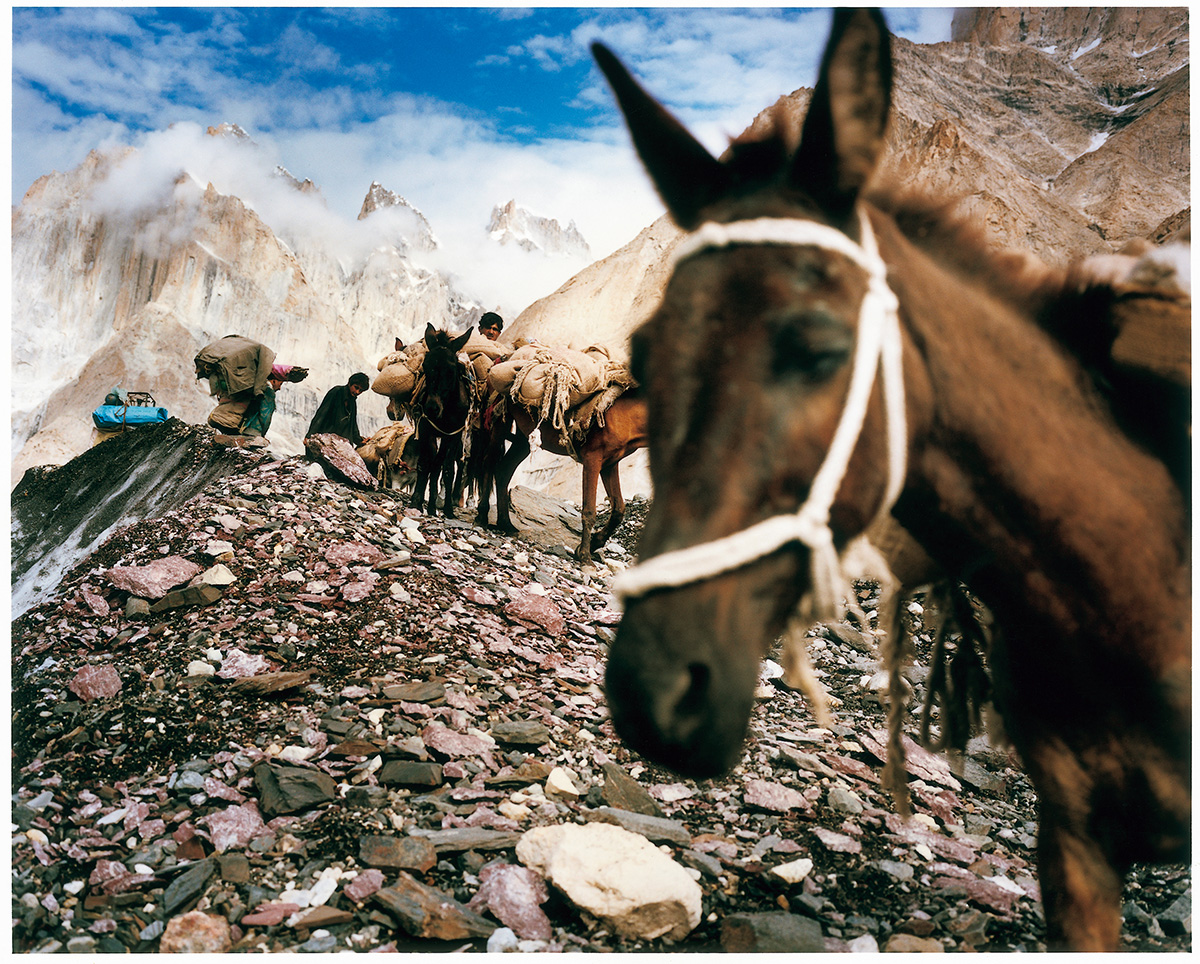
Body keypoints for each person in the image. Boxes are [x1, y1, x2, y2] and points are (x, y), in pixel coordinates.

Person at [306, 372, 369, 445]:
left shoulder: (353, 402)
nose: (357, 392)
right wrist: (309, 435)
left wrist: (359, 441)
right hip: (326, 439)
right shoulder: (336, 392)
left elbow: (353, 424)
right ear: (349, 383)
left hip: (340, 443)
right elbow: (321, 414)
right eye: (356, 387)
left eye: (361, 390)